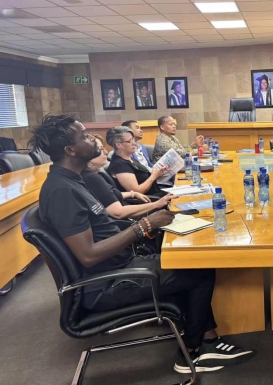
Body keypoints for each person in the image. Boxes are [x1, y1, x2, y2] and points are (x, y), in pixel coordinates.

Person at [29, 113, 252, 374]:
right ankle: (193, 352)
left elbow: (104, 228)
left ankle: (209, 339)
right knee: (200, 272)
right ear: (71, 150)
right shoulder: (62, 191)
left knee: (188, 263)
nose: (92, 139)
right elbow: (88, 255)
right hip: (105, 285)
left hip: (119, 266)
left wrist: (152, 224)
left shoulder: (72, 181)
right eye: (85, 136)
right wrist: (144, 225)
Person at [83, 134, 175, 220]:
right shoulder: (92, 178)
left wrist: (132, 194)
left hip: (133, 206)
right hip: (128, 218)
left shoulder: (98, 174)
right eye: (100, 149)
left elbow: (111, 194)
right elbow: (118, 212)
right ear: (87, 155)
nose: (106, 152)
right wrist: (156, 204)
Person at [107, 126, 167, 196]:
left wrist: (158, 174)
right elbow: (136, 192)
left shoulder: (129, 158)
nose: (134, 143)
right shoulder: (120, 165)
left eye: (133, 139)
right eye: (129, 141)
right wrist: (153, 176)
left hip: (156, 192)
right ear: (118, 145)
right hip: (149, 199)